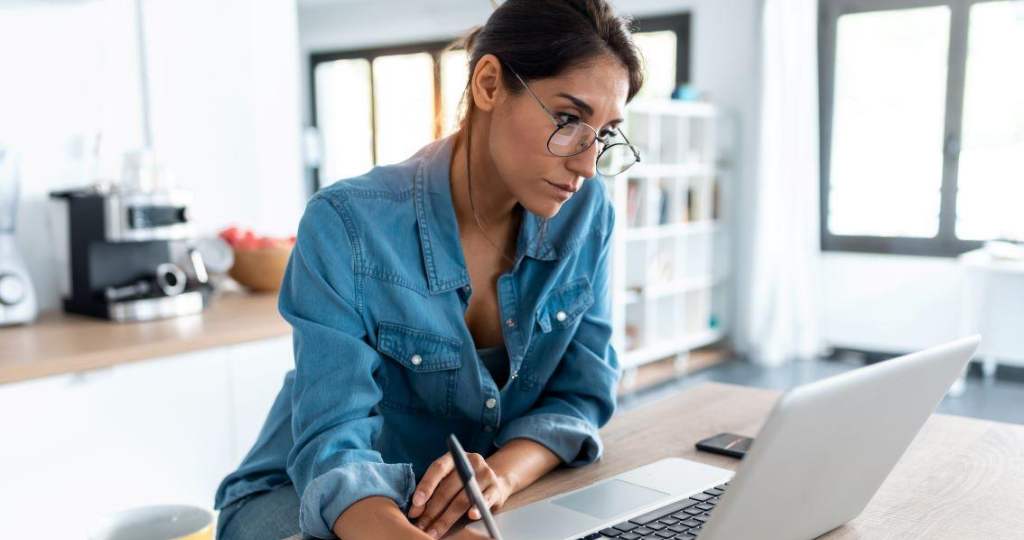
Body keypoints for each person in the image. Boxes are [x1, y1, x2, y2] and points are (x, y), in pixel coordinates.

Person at [214, 0, 644, 538]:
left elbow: (581, 393)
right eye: (568, 120)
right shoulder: (348, 224)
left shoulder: (585, 213)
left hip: (456, 510)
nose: (586, 163)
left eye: (604, 134)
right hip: (310, 503)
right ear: (489, 84)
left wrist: (499, 479)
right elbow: (334, 445)